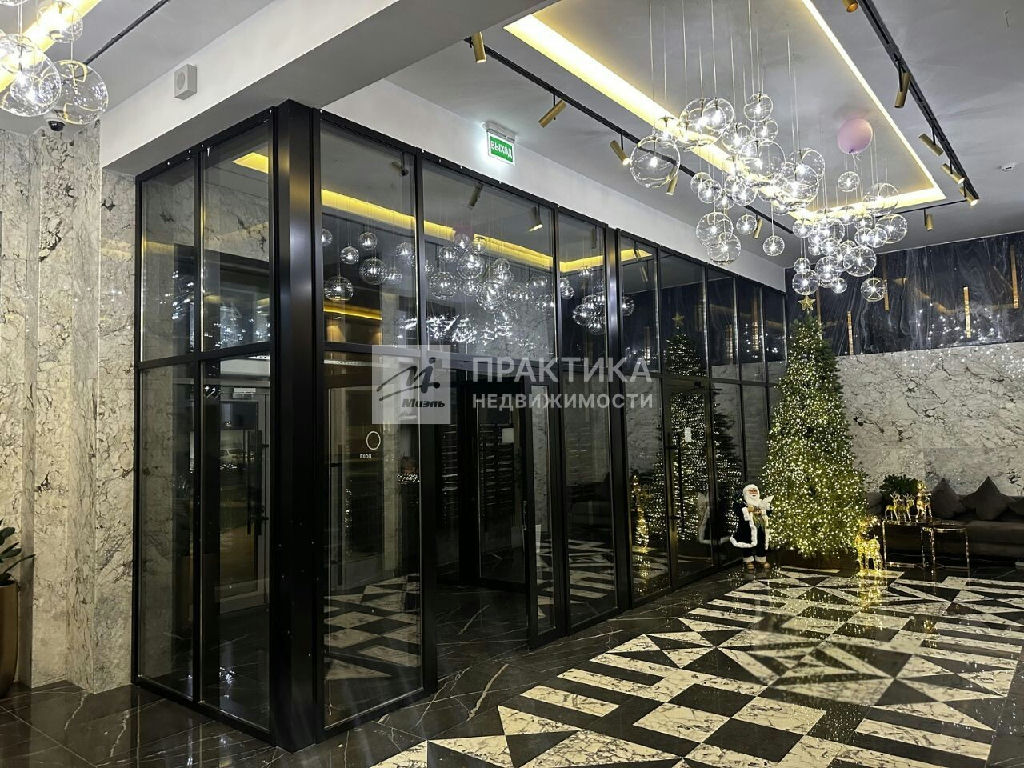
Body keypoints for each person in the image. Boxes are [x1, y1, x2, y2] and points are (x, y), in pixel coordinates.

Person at [731, 484, 773, 572]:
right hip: (746, 528)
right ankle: (748, 560)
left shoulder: (761, 502)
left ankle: (761, 559)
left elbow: (769, 510)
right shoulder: (742, 503)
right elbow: (737, 511)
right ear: (746, 492)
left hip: (760, 527)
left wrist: (762, 511)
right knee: (747, 543)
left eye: (755, 491)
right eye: (751, 491)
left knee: (761, 542)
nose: (753, 493)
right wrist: (747, 510)